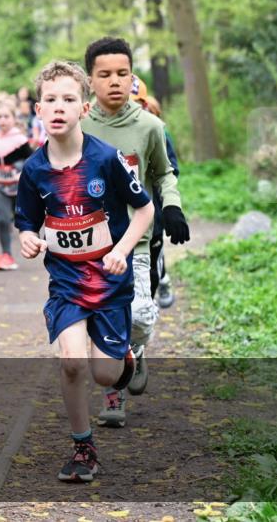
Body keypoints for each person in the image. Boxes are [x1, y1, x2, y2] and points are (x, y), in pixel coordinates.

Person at [15, 60, 154, 482]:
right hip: (68, 283)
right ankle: (83, 446)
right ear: (38, 110)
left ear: (85, 107)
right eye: (50, 100)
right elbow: (26, 220)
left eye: (68, 99)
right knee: (72, 363)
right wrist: (27, 238)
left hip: (110, 281)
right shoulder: (34, 170)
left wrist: (122, 249)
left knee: (104, 374)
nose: (59, 107)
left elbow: (144, 209)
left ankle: (125, 359)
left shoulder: (105, 159)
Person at [80, 37, 189, 427]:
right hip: (88, 244)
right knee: (105, 322)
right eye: (104, 74)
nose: (114, 81)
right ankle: (114, 390)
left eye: (122, 74)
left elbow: (164, 173)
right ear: (90, 80)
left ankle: (134, 352)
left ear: (132, 78)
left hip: (135, 242)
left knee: (141, 316)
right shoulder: (79, 124)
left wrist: (172, 206)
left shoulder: (150, 126)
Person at [134, 93, 179, 308]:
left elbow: (171, 171)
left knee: (153, 255)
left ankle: (161, 282)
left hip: (154, 209)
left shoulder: (158, 131)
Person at [0, 97, 32, 271]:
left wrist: (22, 171)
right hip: (0, 187)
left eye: (6, 116)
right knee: (3, 220)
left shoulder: (20, 140)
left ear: (13, 118)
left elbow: (32, 160)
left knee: (24, 221)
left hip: (20, 188)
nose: (3, 120)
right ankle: (6, 254)